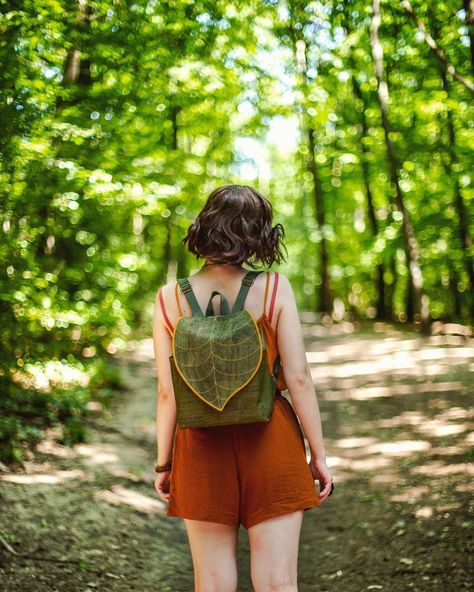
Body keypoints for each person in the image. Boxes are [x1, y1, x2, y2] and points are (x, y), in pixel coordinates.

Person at [152, 184, 333, 592]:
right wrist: (318, 456)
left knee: (212, 582)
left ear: (204, 229)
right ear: (258, 234)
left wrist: (165, 464)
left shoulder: (167, 299)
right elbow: (299, 377)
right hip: (271, 440)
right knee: (277, 583)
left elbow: (167, 393)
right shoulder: (273, 288)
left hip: (199, 446)